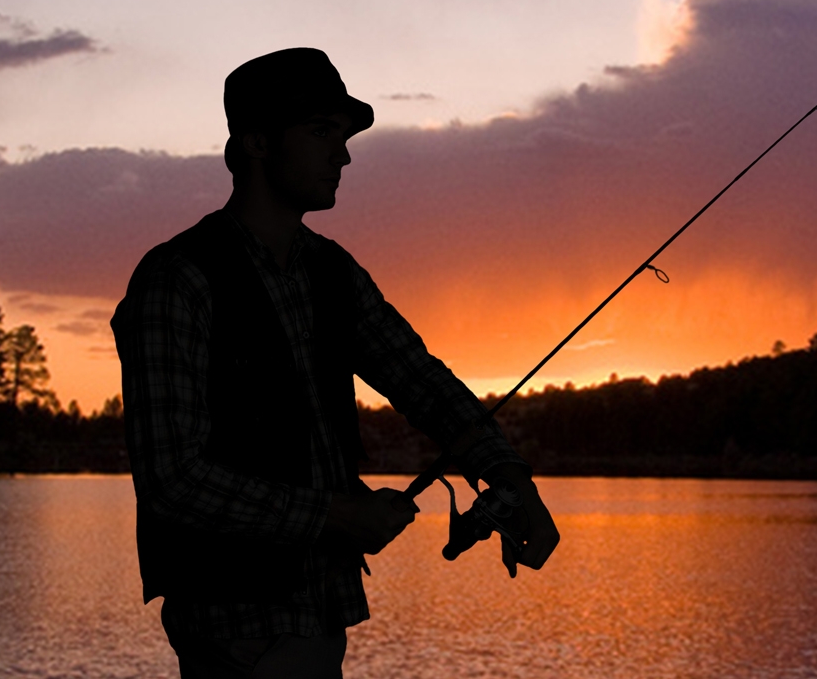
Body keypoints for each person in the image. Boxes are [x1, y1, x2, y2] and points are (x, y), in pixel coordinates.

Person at [111, 48, 558, 679]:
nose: (343, 154)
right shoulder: (176, 280)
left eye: (343, 135)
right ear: (258, 142)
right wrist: (337, 515)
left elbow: (420, 379)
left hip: (321, 619)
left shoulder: (333, 272)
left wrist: (511, 477)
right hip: (233, 632)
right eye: (322, 132)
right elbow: (172, 480)